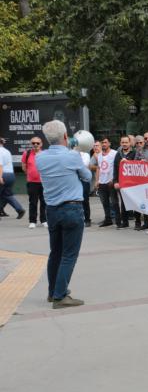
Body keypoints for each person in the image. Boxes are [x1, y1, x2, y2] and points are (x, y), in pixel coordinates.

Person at [36, 120, 91, 308]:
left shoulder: (40, 157)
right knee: (69, 255)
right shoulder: (72, 156)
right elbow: (87, 177)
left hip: (51, 210)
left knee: (56, 253)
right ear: (65, 136)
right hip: (72, 209)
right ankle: (60, 296)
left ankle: (53, 292)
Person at [112, 135, 137, 229]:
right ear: (120, 143)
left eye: (126, 142)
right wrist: (115, 181)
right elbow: (115, 169)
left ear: (130, 143)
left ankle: (138, 222)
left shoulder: (134, 153)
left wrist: (128, 162)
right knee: (123, 202)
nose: (124, 144)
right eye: (123, 142)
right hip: (121, 182)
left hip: (133, 182)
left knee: (135, 201)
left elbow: (138, 166)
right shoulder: (118, 154)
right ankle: (125, 222)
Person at [91, 137, 117, 227]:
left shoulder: (114, 153)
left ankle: (118, 220)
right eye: (103, 143)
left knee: (114, 202)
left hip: (111, 181)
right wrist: (97, 181)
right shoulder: (100, 155)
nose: (104, 144)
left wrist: (113, 179)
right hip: (102, 182)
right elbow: (98, 168)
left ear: (109, 143)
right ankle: (108, 219)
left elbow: (117, 167)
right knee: (104, 202)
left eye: (106, 142)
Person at [21, 136, 46, 228]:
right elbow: (24, 167)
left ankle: (44, 220)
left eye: (37, 143)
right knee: (33, 202)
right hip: (32, 182)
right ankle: (32, 221)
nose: (35, 145)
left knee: (44, 202)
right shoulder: (26, 154)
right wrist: (31, 174)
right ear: (31, 144)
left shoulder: (44, 154)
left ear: (41, 144)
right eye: (33, 143)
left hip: (44, 182)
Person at [0, 137, 26, 220]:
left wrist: (0, 177)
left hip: (3, 175)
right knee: (7, 195)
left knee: (5, 195)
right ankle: (19, 210)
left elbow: (0, 165)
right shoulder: (6, 151)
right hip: (11, 175)